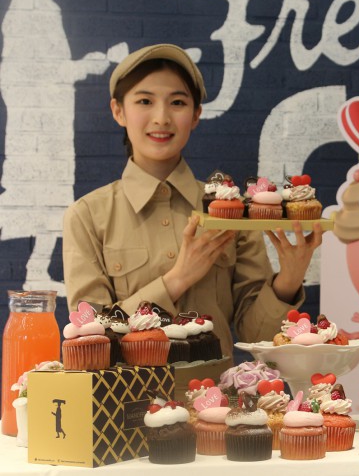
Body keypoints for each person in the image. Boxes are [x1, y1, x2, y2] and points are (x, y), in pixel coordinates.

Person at [62, 44, 322, 360]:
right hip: (131, 391)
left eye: (177, 102)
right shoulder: (87, 216)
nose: (161, 118)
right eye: (144, 101)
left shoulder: (233, 213)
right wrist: (177, 279)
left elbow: (258, 338)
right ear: (118, 111)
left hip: (218, 389)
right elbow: (90, 340)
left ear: (196, 114)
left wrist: (290, 277)